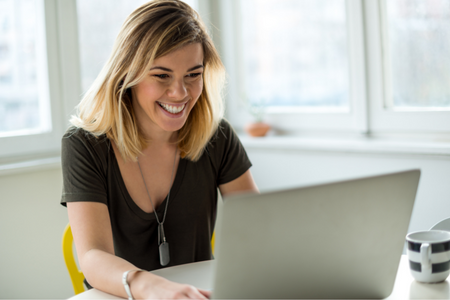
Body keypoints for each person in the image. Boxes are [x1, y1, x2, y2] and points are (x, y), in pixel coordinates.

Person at [60, 0, 258, 299]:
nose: (180, 93)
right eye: (162, 75)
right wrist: (150, 287)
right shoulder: (84, 144)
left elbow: (259, 230)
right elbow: (92, 257)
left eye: (193, 74)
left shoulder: (217, 137)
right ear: (129, 73)